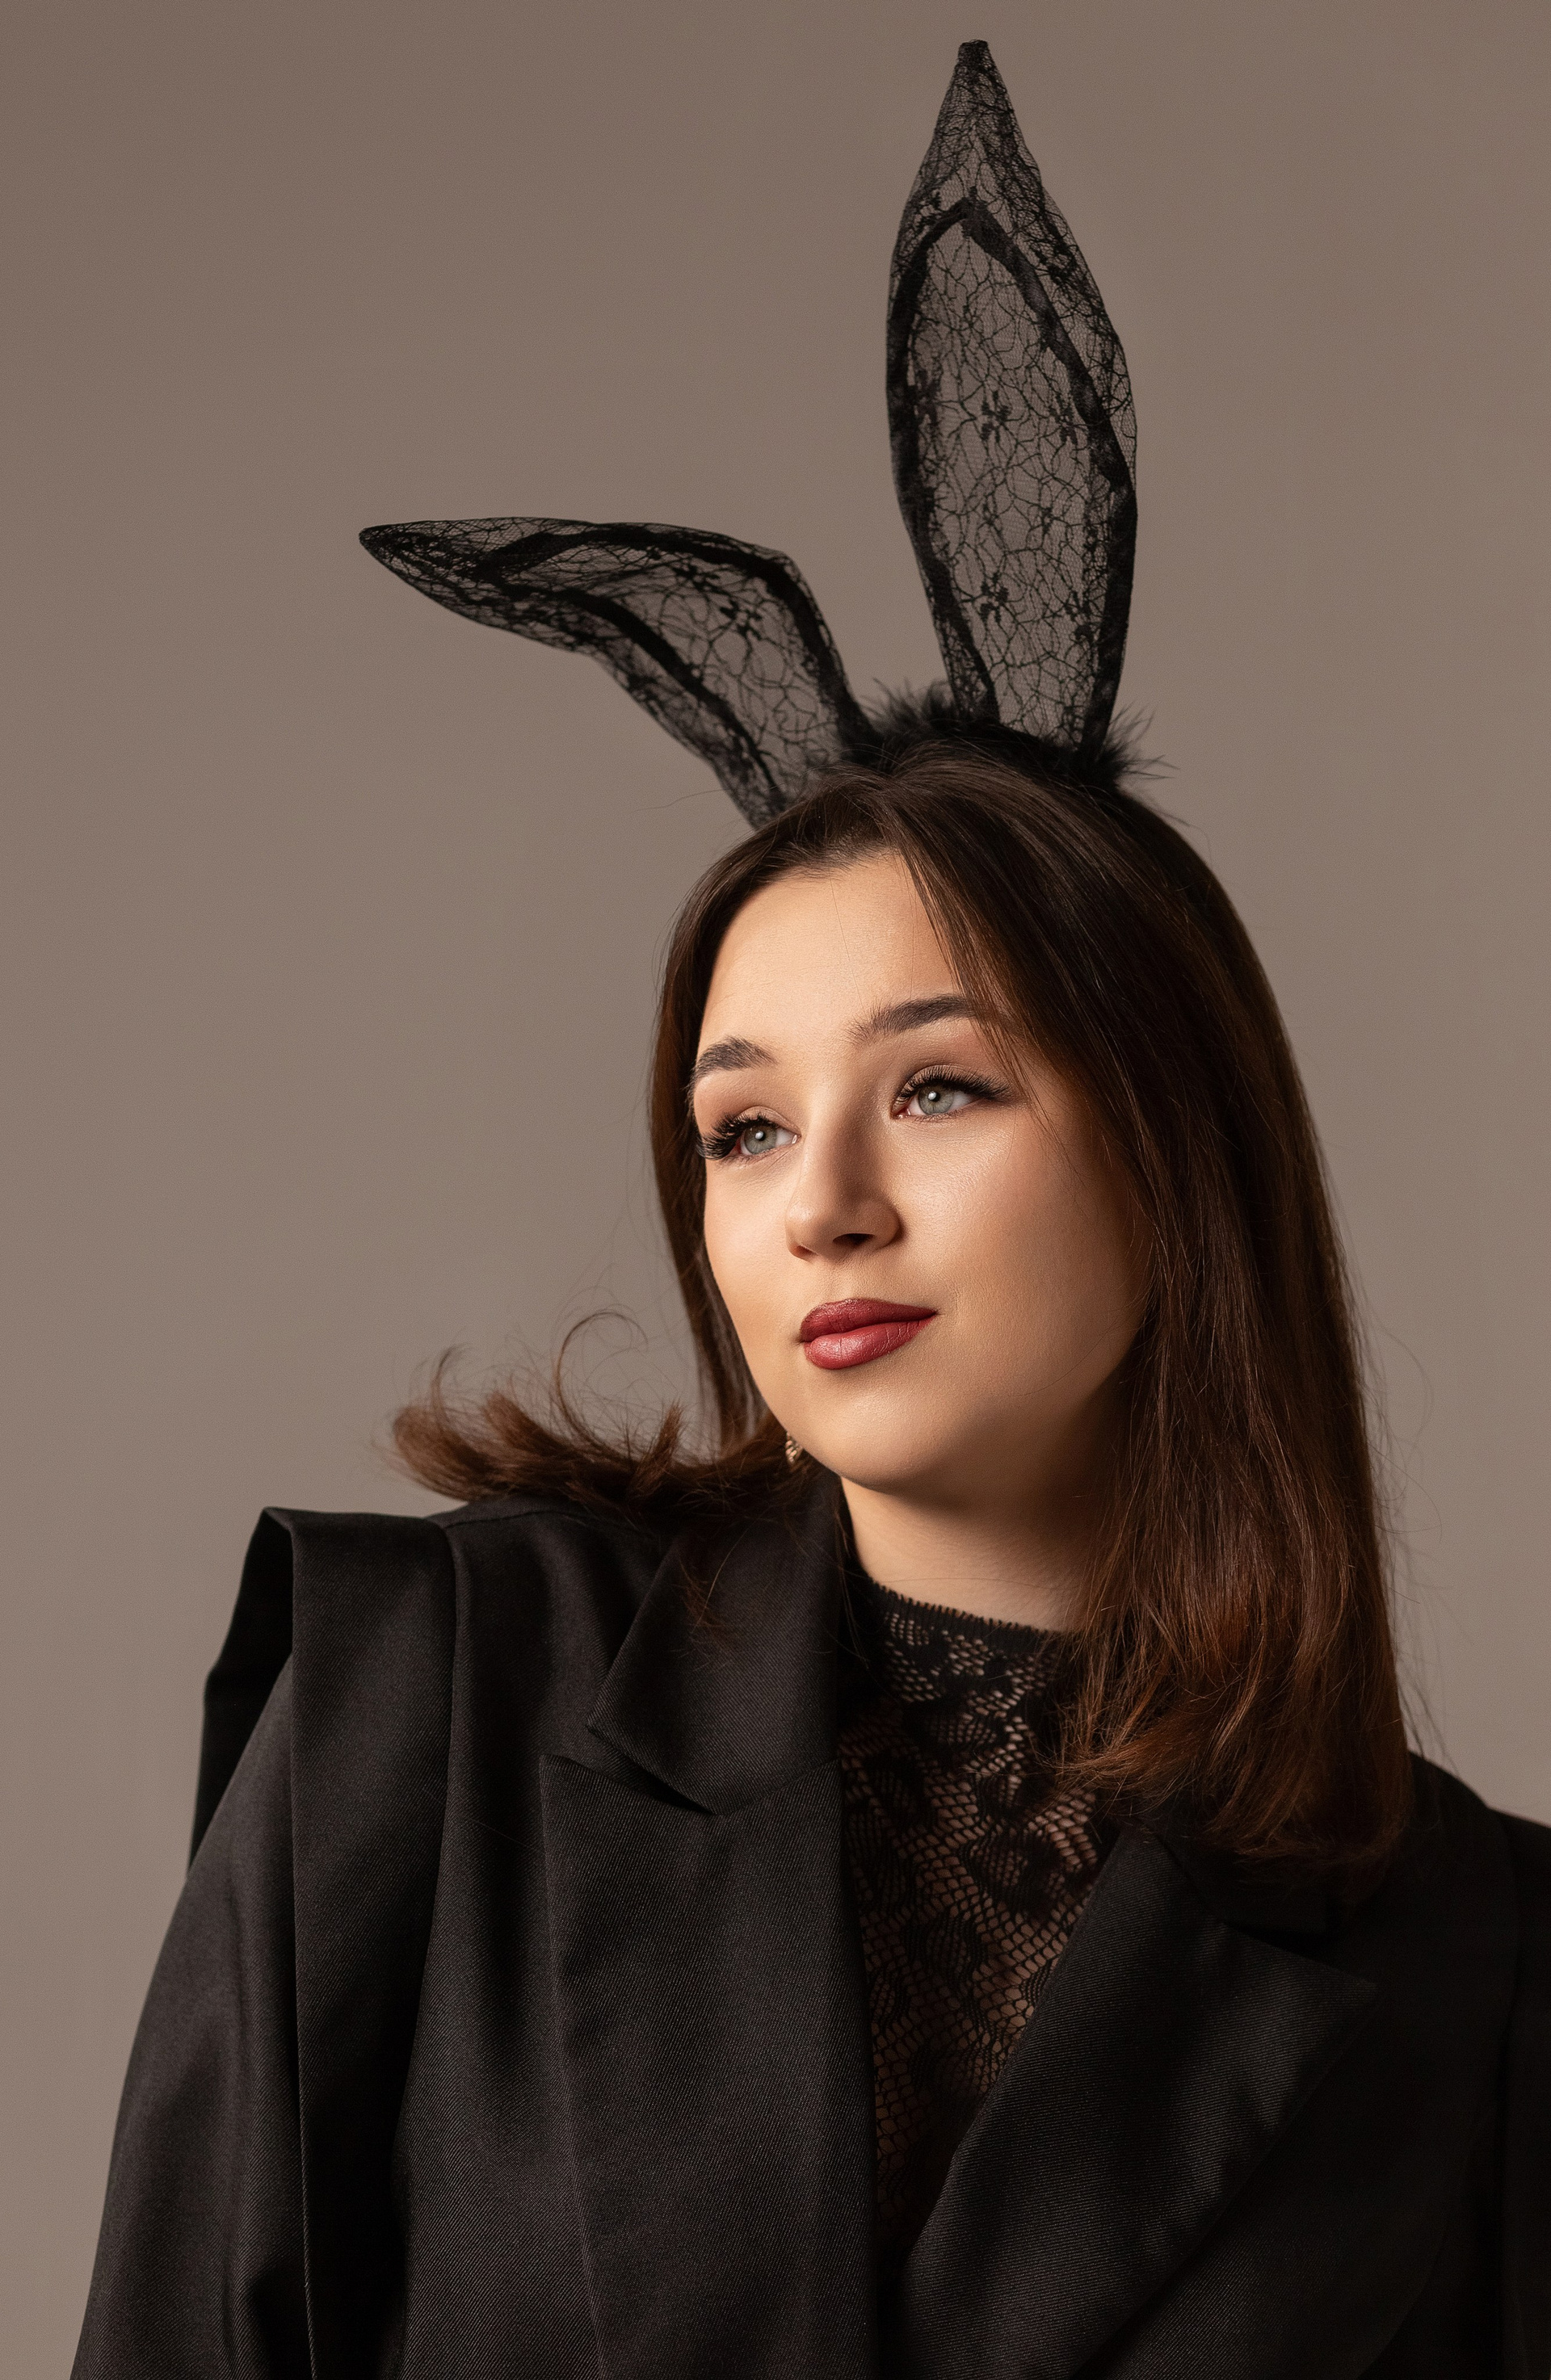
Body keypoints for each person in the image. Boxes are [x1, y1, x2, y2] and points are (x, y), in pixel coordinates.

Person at [73, 44, 1549, 2380]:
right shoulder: (422, 1703)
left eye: (938, 1087)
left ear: (1179, 1150)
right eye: (743, 1129)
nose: (822, 1208)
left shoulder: (1477, 1963)